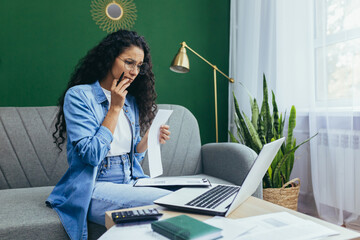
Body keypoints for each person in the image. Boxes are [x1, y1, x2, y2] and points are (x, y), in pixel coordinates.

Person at [46, 30, 172, 240]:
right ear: (109, 58)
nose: (134, 71)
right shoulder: (79, 96)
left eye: (139, 66)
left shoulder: (130, 101)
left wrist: (148, 139)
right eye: (129, 62)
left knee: (189, 194)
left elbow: (133, 158)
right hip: (94, 187)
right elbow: (91, 156)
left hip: (130, 181)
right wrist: (114, 108)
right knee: (170, 200)